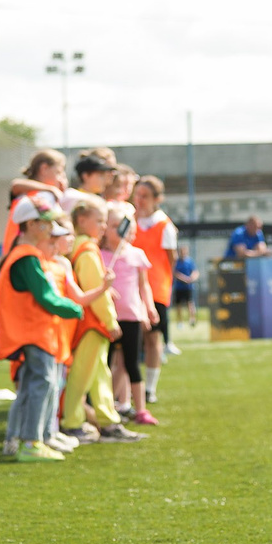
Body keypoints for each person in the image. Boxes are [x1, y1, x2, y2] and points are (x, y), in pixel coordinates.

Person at [0, 196, 84, 462]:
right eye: (46, 223)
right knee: (40, 384)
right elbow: (46, 296)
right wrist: (74, 309)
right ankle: (30, 442)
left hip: (37, 332)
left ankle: (31, 438)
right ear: (31, 225)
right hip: (34, 332)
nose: (50, 228)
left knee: (38, 384)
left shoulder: (26, 255)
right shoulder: (26, 257)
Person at [58, 195, 136, 442]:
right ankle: (72, 422)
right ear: (82, 220)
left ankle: (107, 421)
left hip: (89, 322)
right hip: (91, 323)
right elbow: (95, 290)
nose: (103, 226)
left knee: (99, 374)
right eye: (99, 220)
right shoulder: (87, 249)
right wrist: (111, 321)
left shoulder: (80, 247)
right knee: (83, 375)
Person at [104, 210, 157, 427]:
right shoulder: (99, 255)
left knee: (132, 363)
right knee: (106, 363)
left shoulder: (136, 254)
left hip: (131, 315)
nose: (118, 229)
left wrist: (149, 308)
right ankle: (105, 406)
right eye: (113, 224)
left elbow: (143, 284)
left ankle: (141, 410)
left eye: (121, 224)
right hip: (108, 317)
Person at [132, 176, 179, 389]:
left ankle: (149, 388)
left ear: (156, 199)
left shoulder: (164, 225)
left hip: (155, 288)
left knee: (152, 338)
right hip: (130, 286)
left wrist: (163, 281)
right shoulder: (128, 219)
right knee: (131, 340)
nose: (140, 200)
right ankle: (128, 390)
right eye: (138, 195)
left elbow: (171, 259)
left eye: (145, 196)